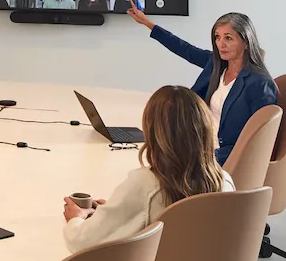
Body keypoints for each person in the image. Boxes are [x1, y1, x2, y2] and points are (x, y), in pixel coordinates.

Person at [62, 85, 234, 251]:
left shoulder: (145, 185)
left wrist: (75, 218)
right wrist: (118, 211)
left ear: (153, 132)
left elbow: (80, 242)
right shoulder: (225, 182)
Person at [125, 5, 278, 166]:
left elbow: (260, 139)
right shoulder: (216, 64)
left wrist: (208, 156)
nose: (221, 44)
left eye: (228, 38)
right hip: (199, 143)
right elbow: (184, 49)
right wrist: (147, 23)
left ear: (246, 42)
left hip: (224, 157)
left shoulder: (260, 84)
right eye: (217, 37)